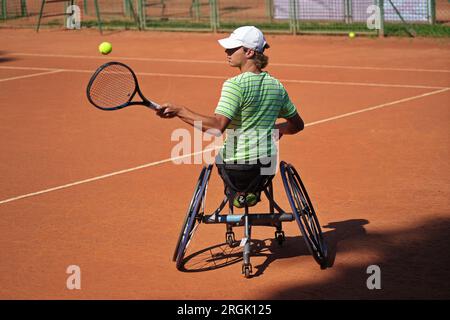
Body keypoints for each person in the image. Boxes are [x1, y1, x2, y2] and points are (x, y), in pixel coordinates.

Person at [157, 26, 304, 207]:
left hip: (234, 167)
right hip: (266, 167)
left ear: (249, 52)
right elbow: (297, 125)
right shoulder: (277, 87)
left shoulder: (234, 85)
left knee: (227, 165)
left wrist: (180, 111)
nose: (227, 52)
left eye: (233, 48)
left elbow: (217, 127)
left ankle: (238, 194)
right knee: (254, 173)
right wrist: (274, 129)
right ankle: (248, 194)